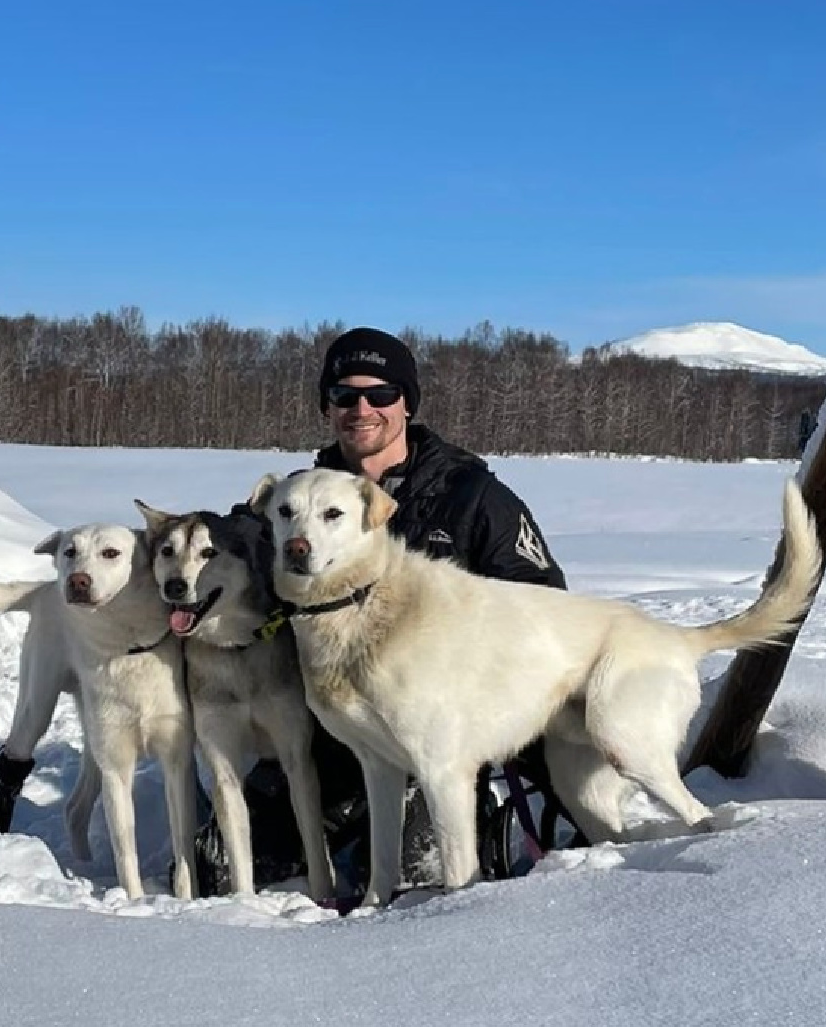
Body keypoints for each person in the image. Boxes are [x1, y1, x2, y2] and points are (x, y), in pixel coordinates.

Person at [195, 326, 572, 898]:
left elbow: (542, 600)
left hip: (434, 728)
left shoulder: (469, 495)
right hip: (326, 728)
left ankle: (468, 817)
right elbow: (212, 564)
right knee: (223, 873)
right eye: (345, 396)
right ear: (328, 405)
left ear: (406, 403)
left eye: (381, 395)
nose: (362, 408)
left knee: (418, 888)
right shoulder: (297, 499)